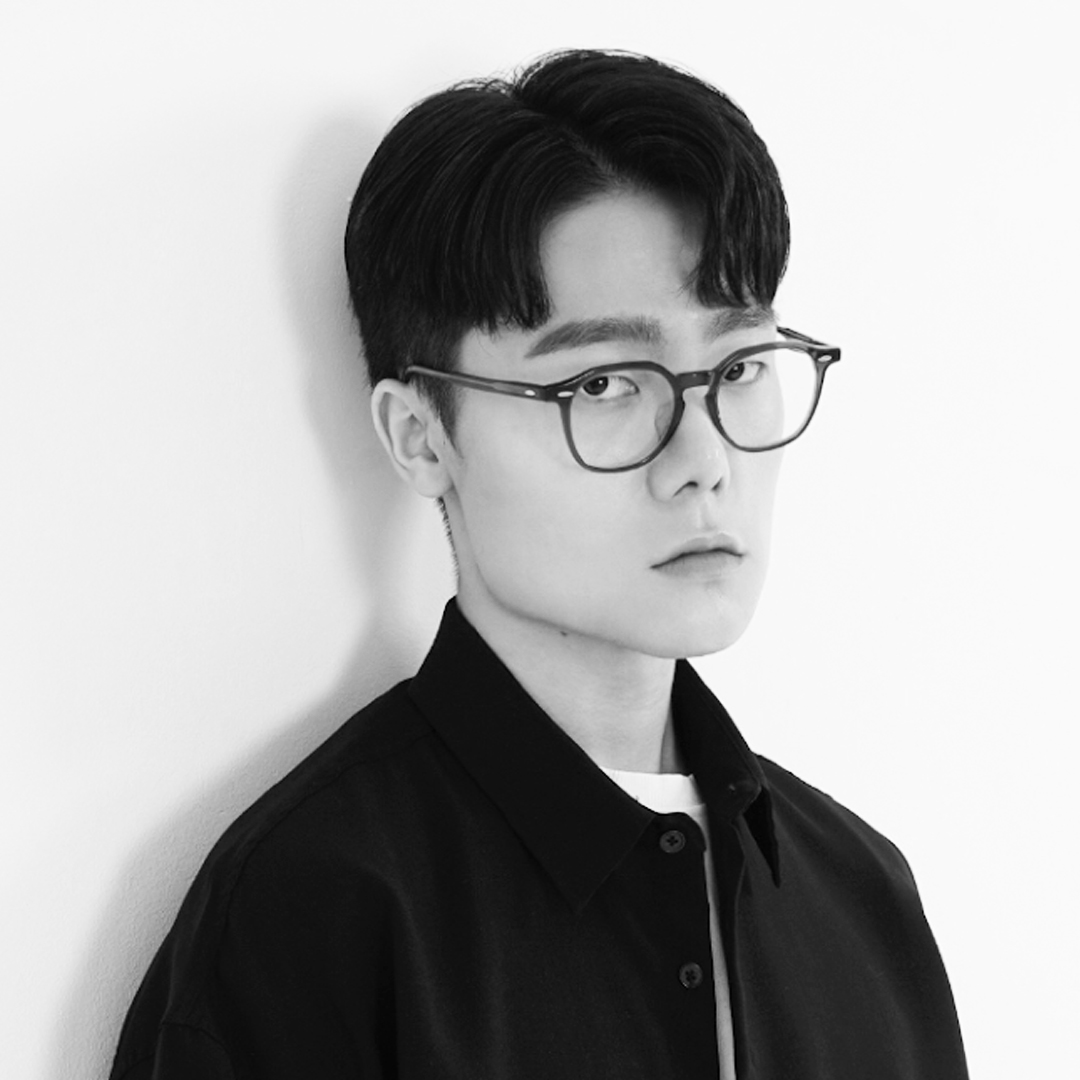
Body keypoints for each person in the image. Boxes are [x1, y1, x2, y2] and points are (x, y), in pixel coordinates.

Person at [109, 49, 968, 1079]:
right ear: (422, 436)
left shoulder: (863, 899)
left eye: (739, 366)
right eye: (604, 384)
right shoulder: (313, 914)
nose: (704, 460)